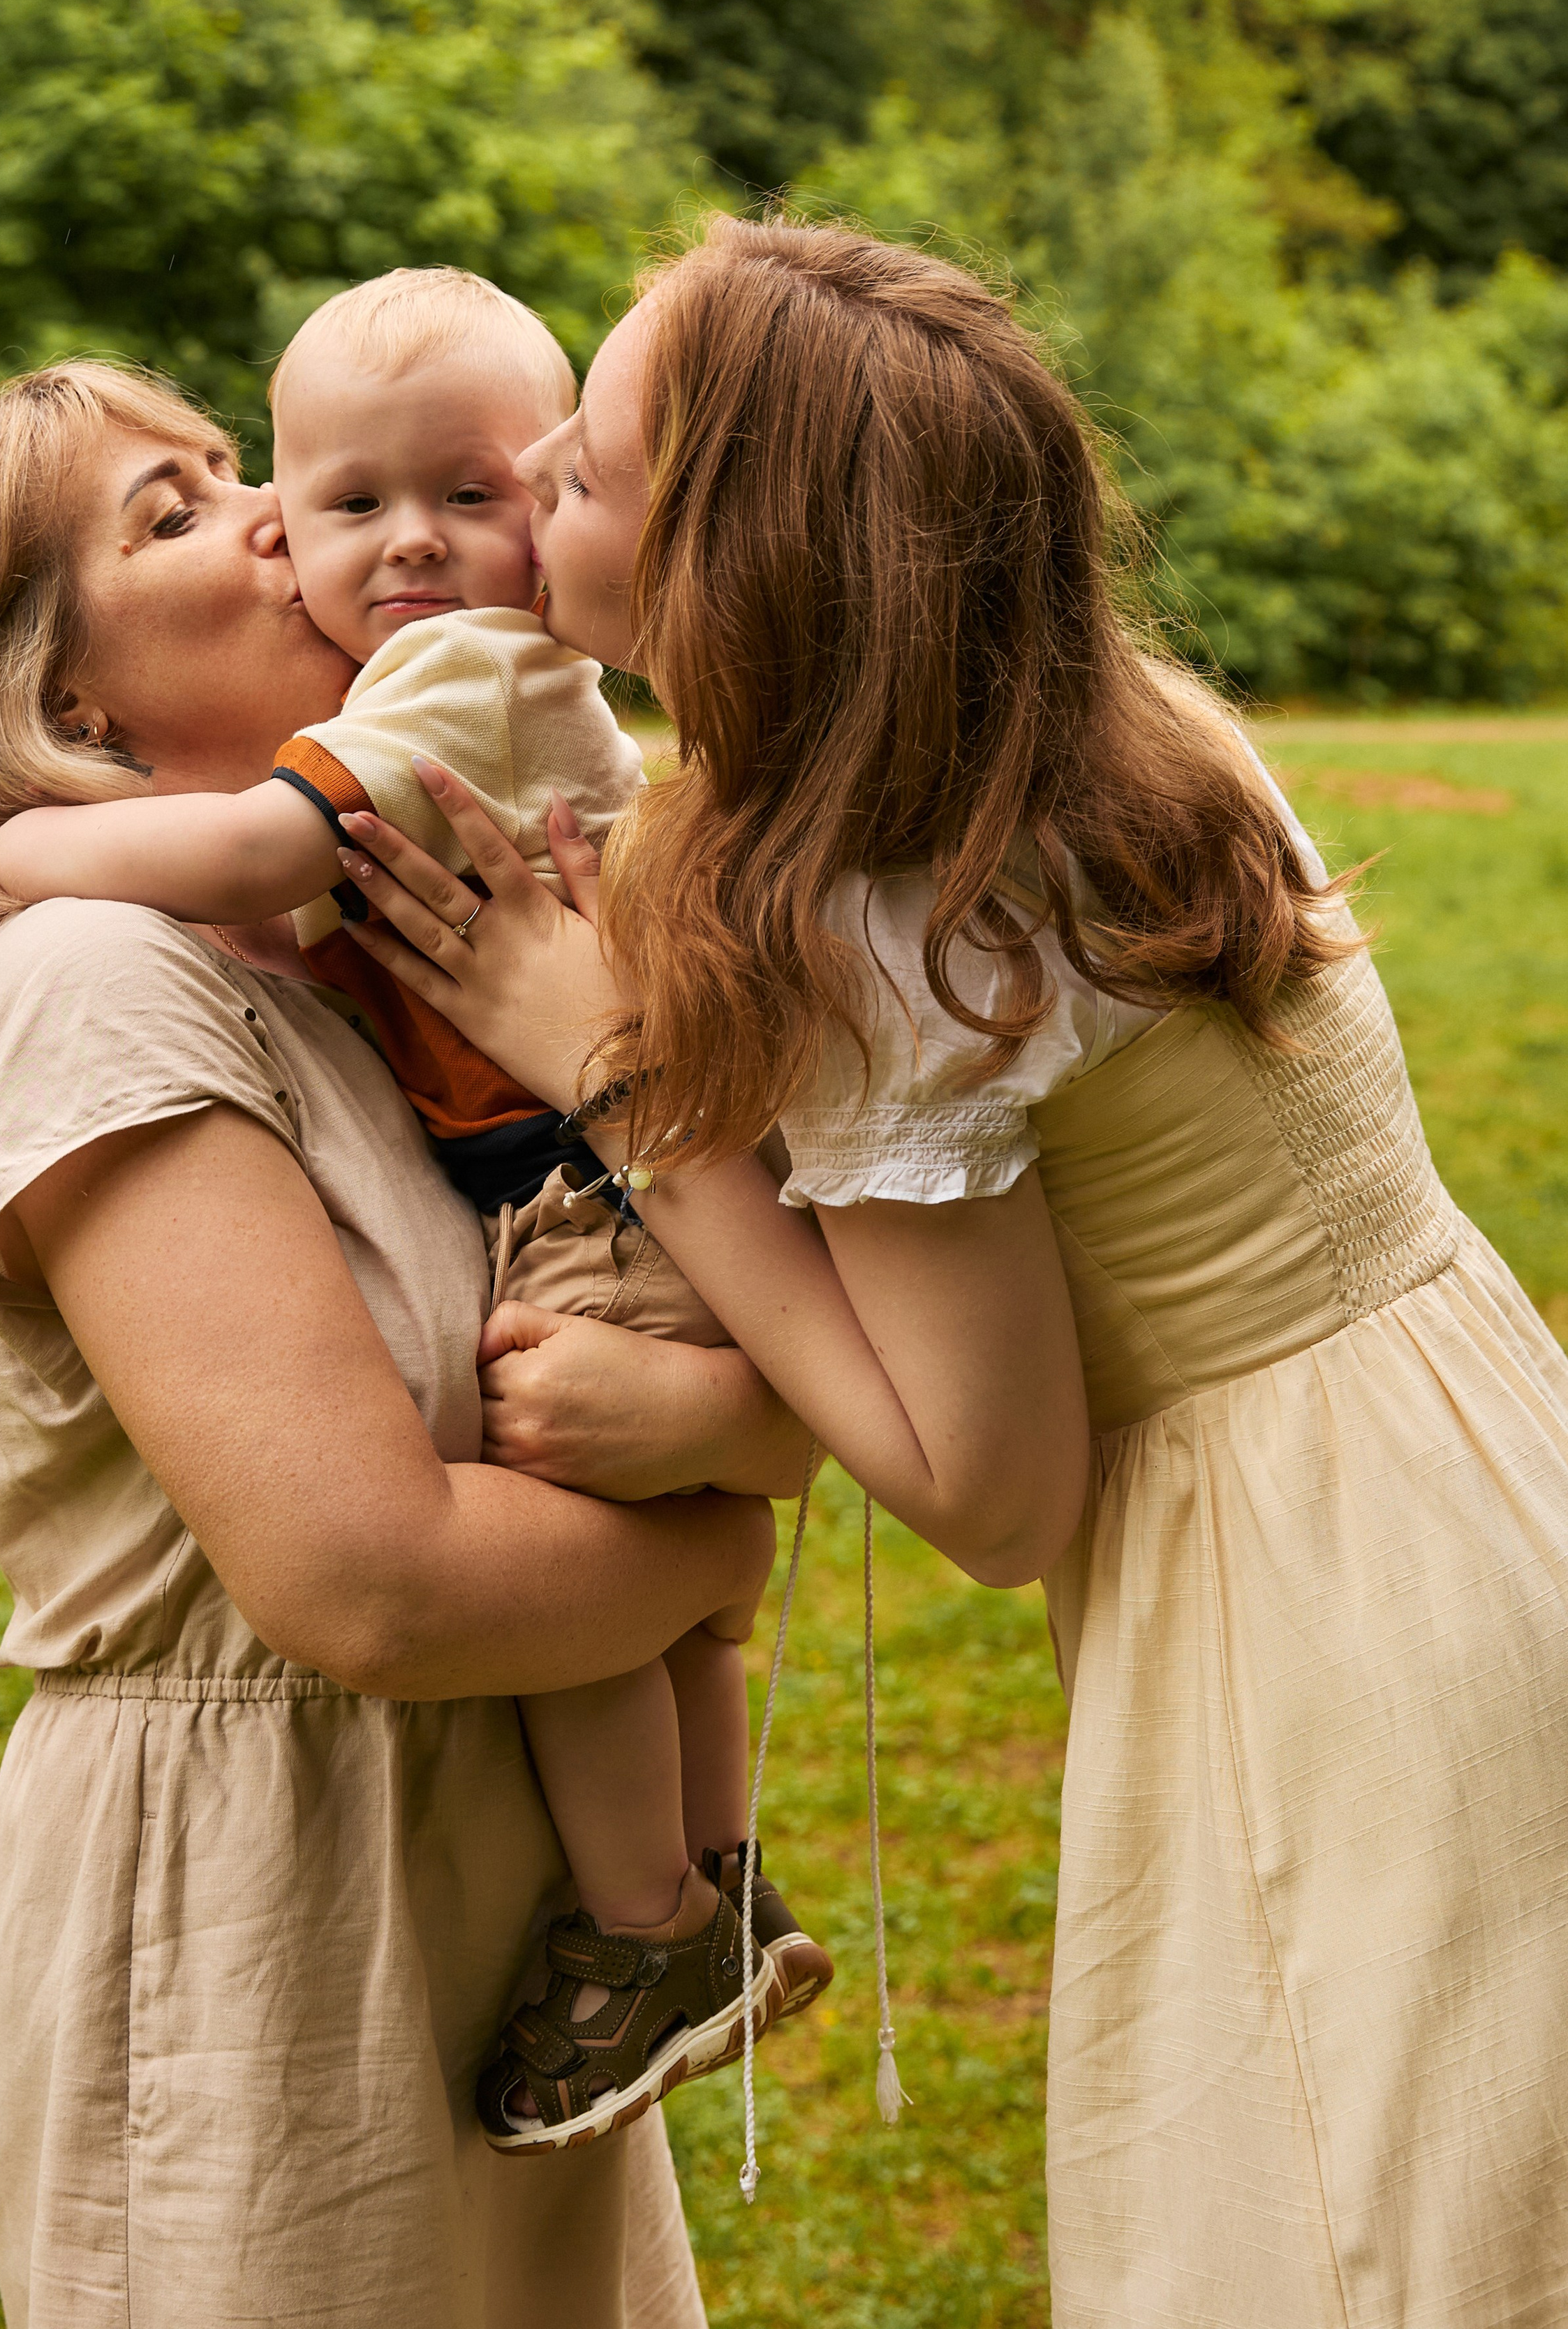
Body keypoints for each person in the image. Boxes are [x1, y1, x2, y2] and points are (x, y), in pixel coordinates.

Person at [335, 214, 1568, 2329]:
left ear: (741, 567)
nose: (529, 469)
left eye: (591, 468)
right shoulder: (1102, 723)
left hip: (1310, 1615)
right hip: (1472, 1468)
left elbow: (995, 1492)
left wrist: (614, 1079)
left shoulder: (913, 913)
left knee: (1351, 2222)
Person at [0, 354, 814, 2328]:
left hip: (484, 1881)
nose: (272, 513)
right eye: (172, 516)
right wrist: (714, 1544)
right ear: (62, 698)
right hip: (265, 1921)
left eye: (229, 469)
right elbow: (377, 1581)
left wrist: (721, 1426)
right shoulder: (93, 973)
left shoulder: (374, 939)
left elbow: (692, 1348)